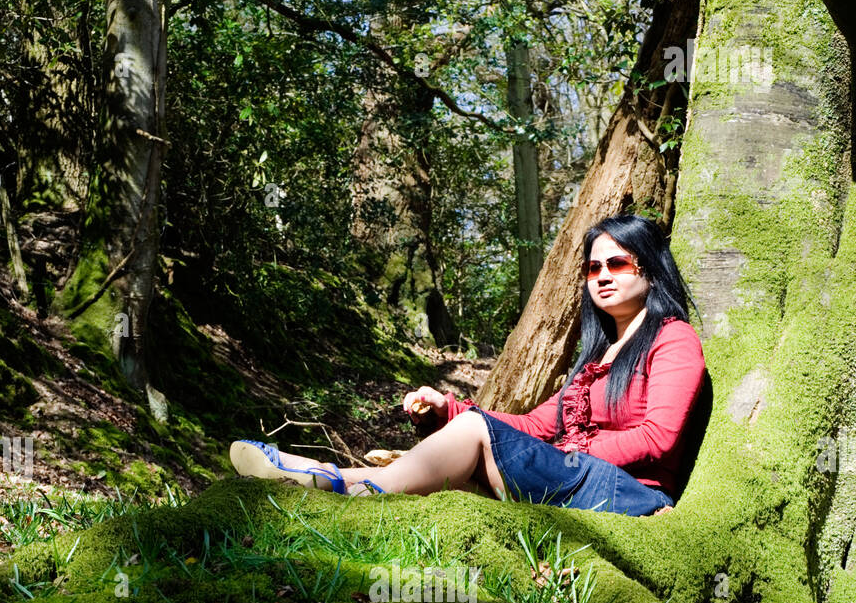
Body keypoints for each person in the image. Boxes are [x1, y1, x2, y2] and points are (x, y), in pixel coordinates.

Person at [229, 213, 707, 516]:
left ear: (649, 268)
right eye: (592, 268)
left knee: (480, 435)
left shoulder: (673, 340)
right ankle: (320, 476)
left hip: (631, 496)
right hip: (575, 474)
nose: (601, 276)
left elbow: (657, 439)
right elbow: (533, 425)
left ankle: (345, 492)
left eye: (617, 264)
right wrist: (449, 411)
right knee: (477, 427)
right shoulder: (597, 355)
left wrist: (573, 455)